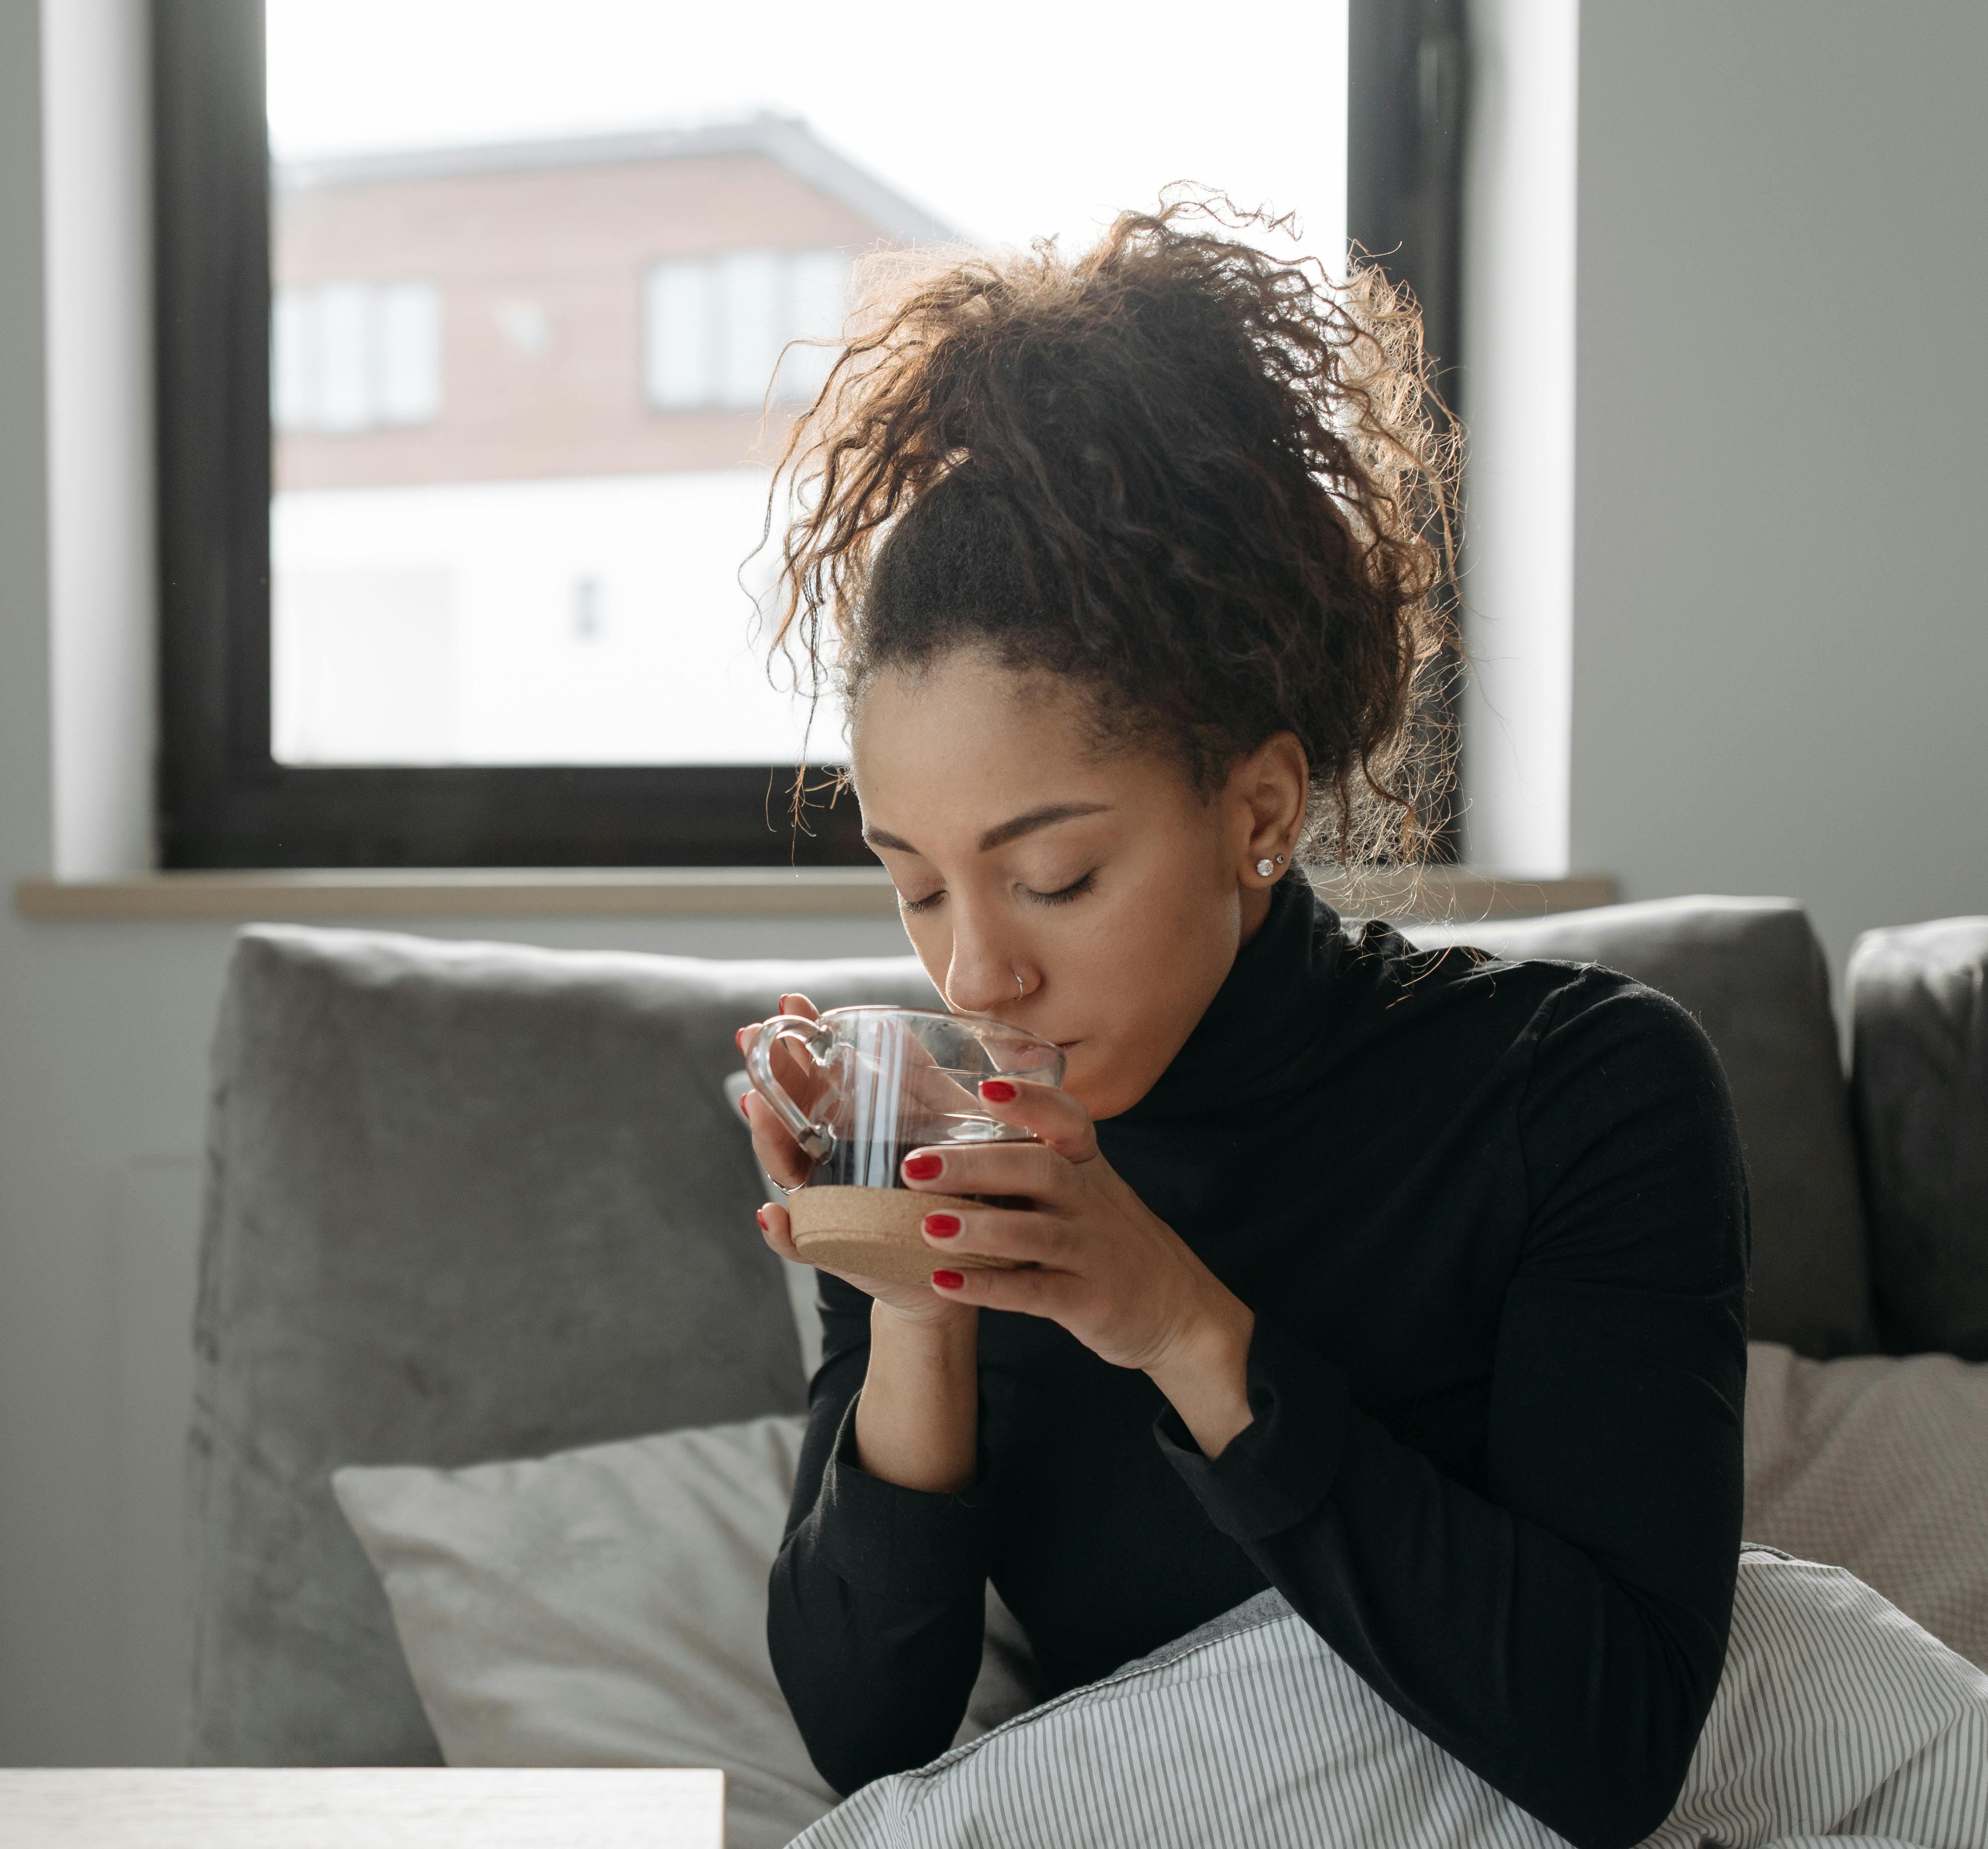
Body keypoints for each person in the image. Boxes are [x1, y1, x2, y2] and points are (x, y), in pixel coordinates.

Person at [740, 203, 1748, 1849]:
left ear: (1256, 808)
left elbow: (1612, 1742)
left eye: (1051, 876)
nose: (974, 973)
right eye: (915, 887)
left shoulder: (1581, 1092)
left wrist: (1180, 1326)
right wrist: (915, 1310)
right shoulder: (964, 1144)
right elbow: (870, 1742)